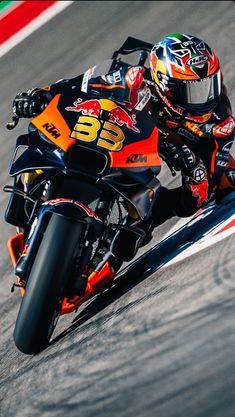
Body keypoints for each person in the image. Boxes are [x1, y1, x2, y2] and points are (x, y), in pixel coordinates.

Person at [12, 33, 235, 231]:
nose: (204, 98)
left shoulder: (219, 122)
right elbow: (71, 86)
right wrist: (38, 95)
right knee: (42, 141)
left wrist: (192, 165)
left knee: (219, 186)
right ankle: (32, 192)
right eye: (192, 91)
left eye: (208, 86)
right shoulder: (133, 78)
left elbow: (202, 191)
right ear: (165, 84)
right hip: (116, 138)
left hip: (176, 151)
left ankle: (134, 226)